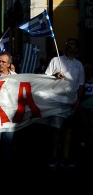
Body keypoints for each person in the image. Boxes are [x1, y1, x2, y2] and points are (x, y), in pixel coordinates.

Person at [43, 38, 85, 169]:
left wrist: (78, 101)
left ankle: (65, 157)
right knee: (56, 131)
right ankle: (54, 156)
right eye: (67, 44)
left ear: (76, 48)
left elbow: (81, 85)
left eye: (72, 44)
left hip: (71, 103)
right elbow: (44, 78)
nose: (68, 46)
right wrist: (54, 76)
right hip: (57, 101)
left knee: (68, 131)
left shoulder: (79, 65)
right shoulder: (55, 61)